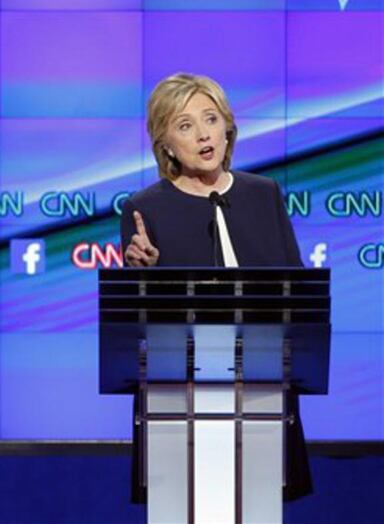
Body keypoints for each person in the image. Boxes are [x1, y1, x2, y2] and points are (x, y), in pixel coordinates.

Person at [120, 73, 311, 502]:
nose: (204, 133)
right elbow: (141, 329)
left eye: (211, 118)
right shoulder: (144, 210)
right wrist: (141, 272)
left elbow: (296, 294)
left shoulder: (264, 195)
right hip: (179, 400)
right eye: (185, 125)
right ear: (165, 144)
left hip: (261, 392)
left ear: (228, 127)